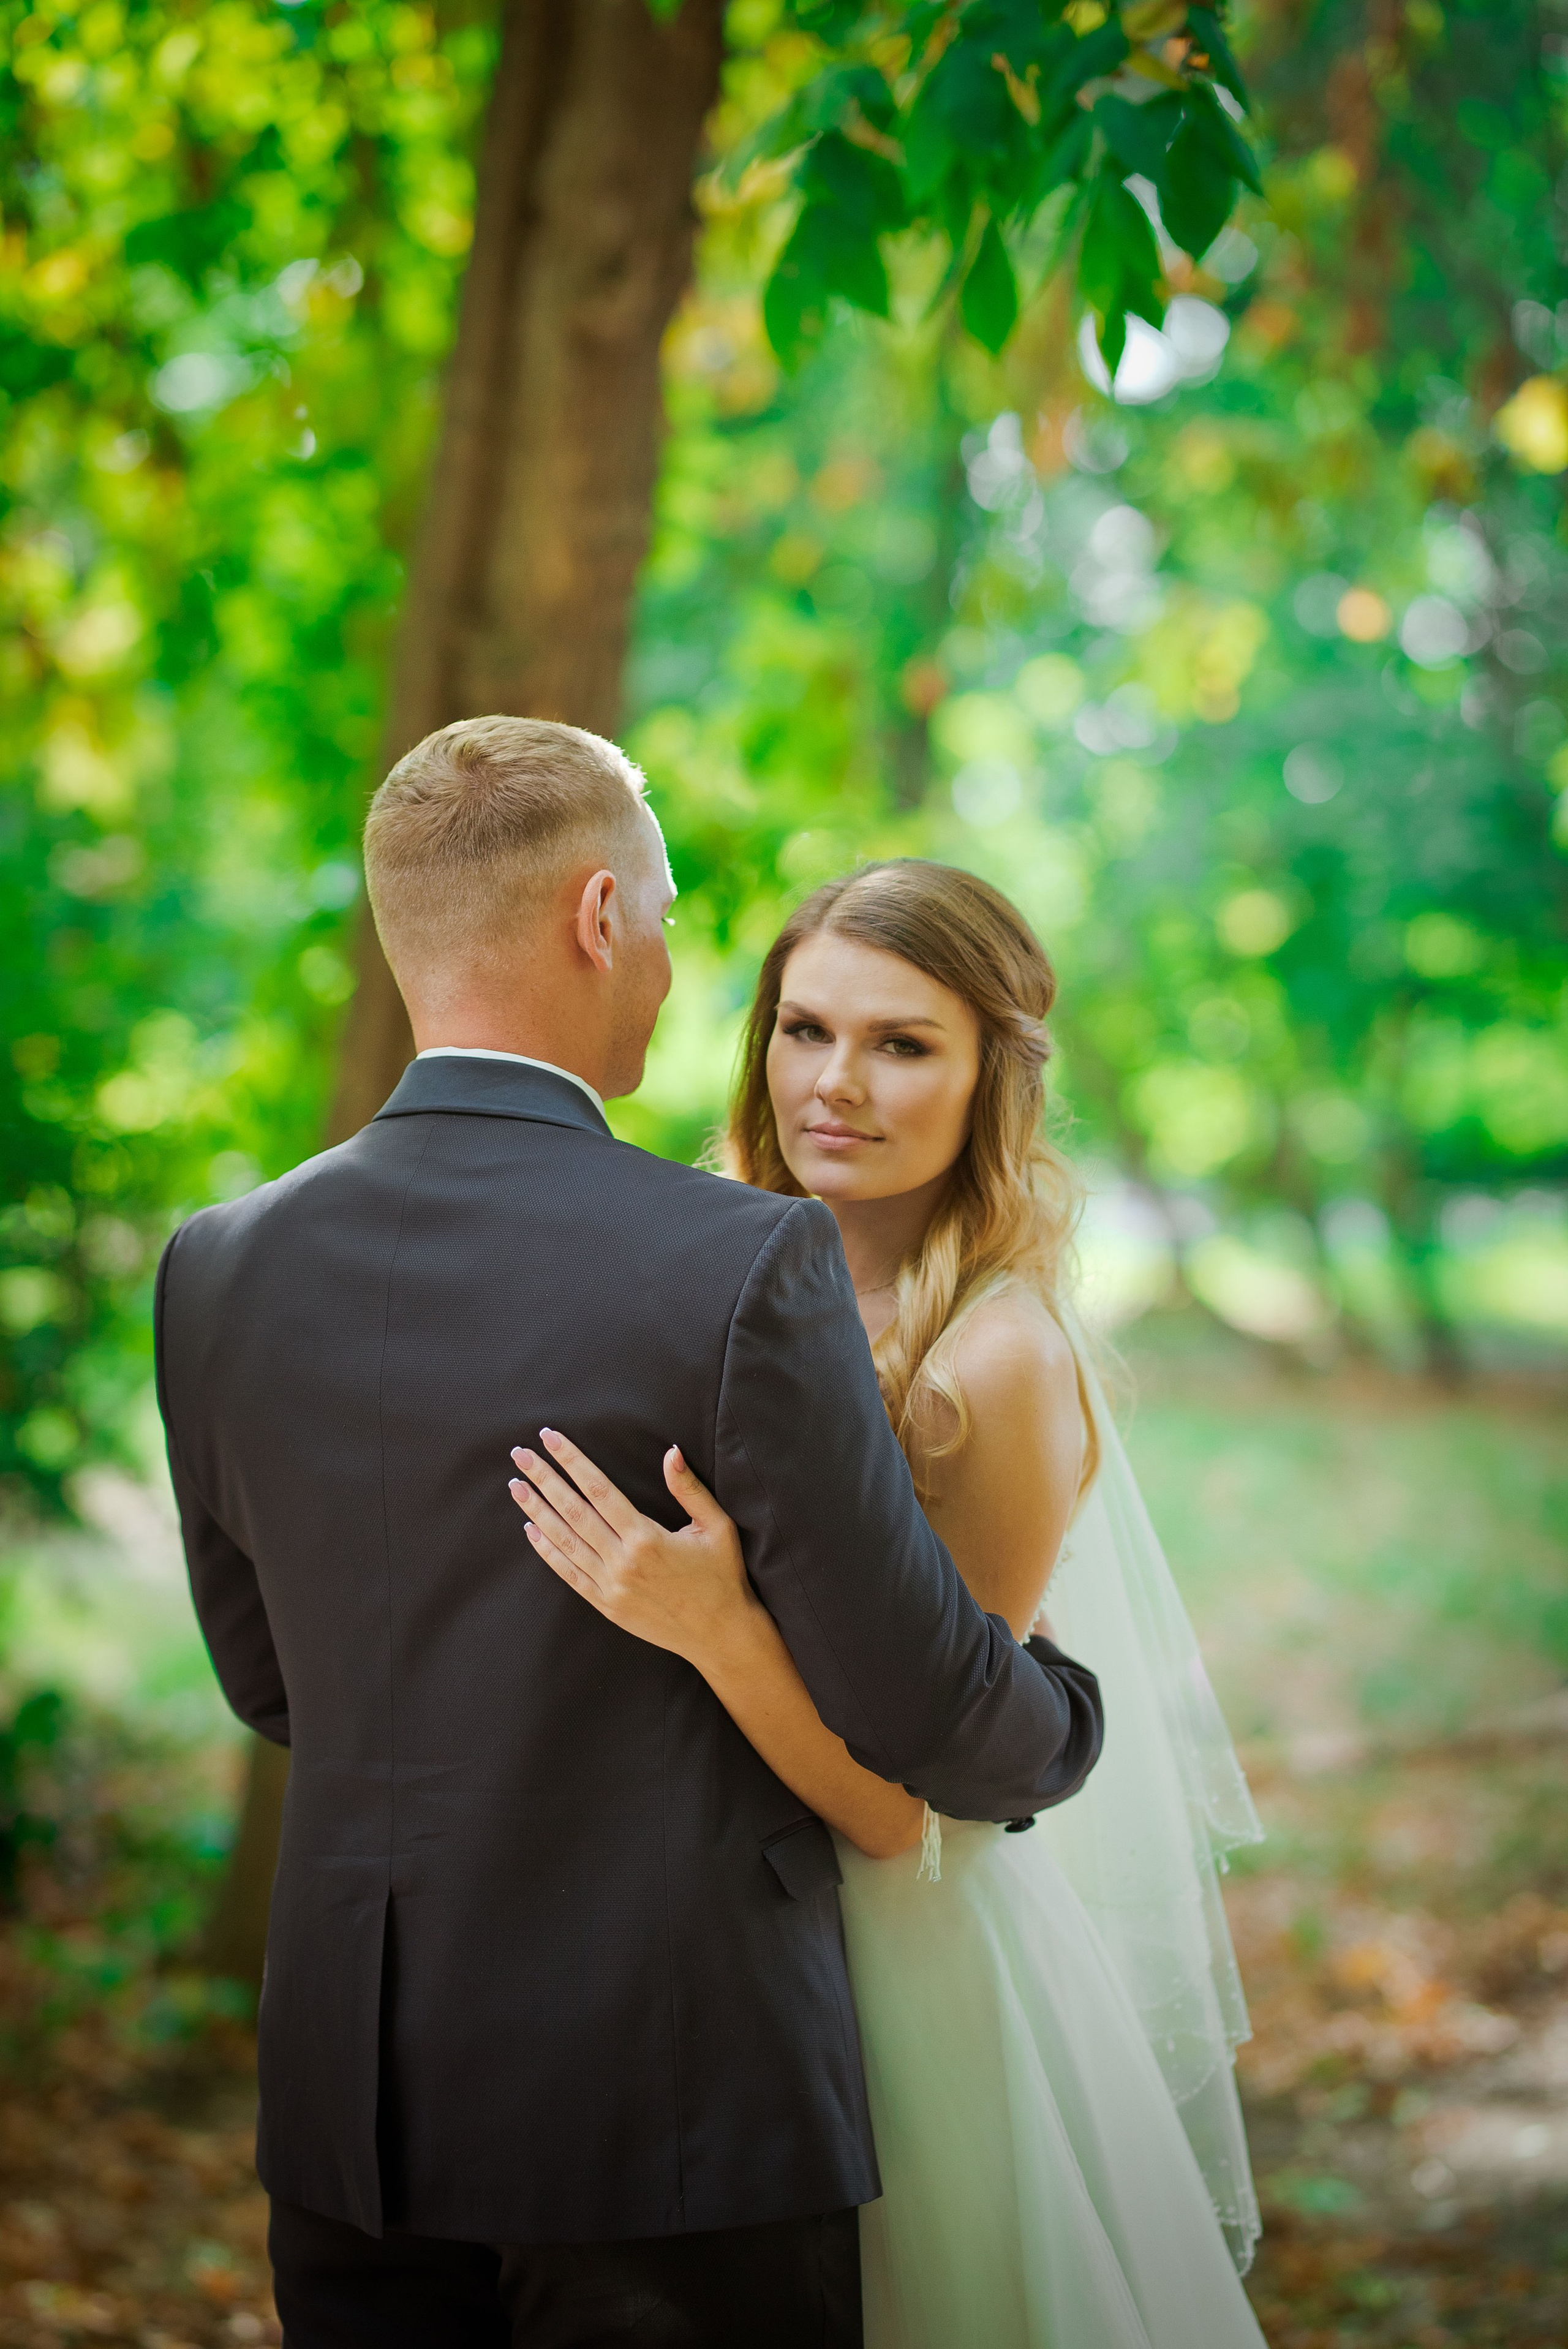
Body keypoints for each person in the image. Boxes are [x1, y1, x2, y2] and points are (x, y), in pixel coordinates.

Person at [154, 720, 1104, 2347]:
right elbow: (935, 1708)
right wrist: (1066, 1714)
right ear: (600, 918)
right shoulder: (741, 1262)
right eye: (662, 919)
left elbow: (274, 1681)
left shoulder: (218, 1263)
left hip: (349, 2112)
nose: (672, 970)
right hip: (670, 2113)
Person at [510, 859, 1270, 2349]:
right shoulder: (683, 1252)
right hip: (671, 1930)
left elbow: (922, 1805)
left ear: (992, 1073)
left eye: (901, 1043)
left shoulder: (992, 1364)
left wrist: (713, 1624)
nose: (832, 1084)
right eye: (803, 1030)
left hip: (889, 1968)